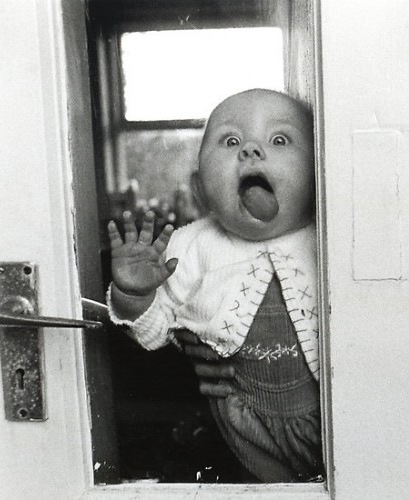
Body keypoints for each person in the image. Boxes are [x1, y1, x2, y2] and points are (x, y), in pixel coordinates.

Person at [107, 89, 323, 482]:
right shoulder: (191, 246)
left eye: (279, 140)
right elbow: (154, 331)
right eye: (231, 141)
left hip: (330, 415)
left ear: (320, 171)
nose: (251, 150)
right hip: (244, 426)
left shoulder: (327, 237)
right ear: (201, 189)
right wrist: (134, 295)